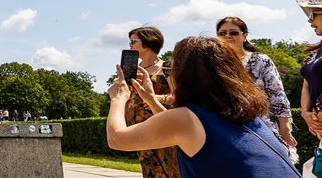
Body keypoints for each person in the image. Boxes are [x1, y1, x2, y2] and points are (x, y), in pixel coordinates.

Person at [107, 37, 300, 177]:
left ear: (185, 76)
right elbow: (178, 130)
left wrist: (119, 98)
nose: (168, 75)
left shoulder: (187, 119)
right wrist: (149, 98)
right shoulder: (247, 116)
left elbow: (117, 139)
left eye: (171, 69)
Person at [216, 16, 297, 163]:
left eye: (233, 32)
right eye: (222, 33)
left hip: (262, 129)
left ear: (244, 35)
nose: (227, 36)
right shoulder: (213, 64)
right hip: (224, 131)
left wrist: (285, 130)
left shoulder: (260, 61)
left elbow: (278, 96)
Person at [125, 26, 179, 178]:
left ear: (148, 43)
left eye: (133, 41)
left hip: (162, 125)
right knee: (148, 168)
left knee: (169, 167)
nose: (130, 45)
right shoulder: (132, 69)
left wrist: (155, 99)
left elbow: (176, 96)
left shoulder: (167, 67)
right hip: (139, 128)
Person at [297, 0, 322, 140]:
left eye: (312, 14)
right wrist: (305, 113)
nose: (310, 21)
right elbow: (306, 83)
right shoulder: (317, 52)